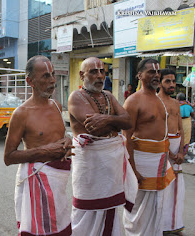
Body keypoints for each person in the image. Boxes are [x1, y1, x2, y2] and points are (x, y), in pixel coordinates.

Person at [4, 55, 73, 236]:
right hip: (37, 183)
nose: (52, 81)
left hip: (58, 186)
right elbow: (8, 157)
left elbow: (60, 135)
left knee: (61, 229)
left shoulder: (57, 106)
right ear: (30, 81)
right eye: (45, 76)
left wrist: (68, 140)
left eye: (53, 74)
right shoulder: (22, 114)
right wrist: (44, 151)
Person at [68, 57, 137, 236]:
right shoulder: (76, 96)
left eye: (102, 71)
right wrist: (116, 122)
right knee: (85, 213)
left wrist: (106, 119)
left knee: (109, 211)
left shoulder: (109, 96)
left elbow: (129, 122)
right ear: (82, 75)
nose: (99, 76)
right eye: (93, 72)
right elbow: (95, 129)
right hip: (90, 169)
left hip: (109, 167)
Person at [123, 58, 175, 235]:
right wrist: (133, 169)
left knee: (157, 206)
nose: (156, 75)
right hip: (141, 163)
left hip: (159, 161)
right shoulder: (133, 101)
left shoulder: (160, 99)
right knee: (138, 210)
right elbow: (126, 137)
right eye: (151, 72)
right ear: (140, 75)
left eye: (157, 72)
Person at [158, 69, 185, 235]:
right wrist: (168, 153)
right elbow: (158, 131)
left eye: (174, 81)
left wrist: (181, 152)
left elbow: (181, 128)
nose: (172, 85)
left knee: (177, 190)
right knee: (163, 189)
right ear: (160, 82)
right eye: (168, 81)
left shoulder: (176, 103)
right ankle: (161, 227)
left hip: (177, 149)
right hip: (162, 148)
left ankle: (175, 225)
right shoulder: (156, 102)